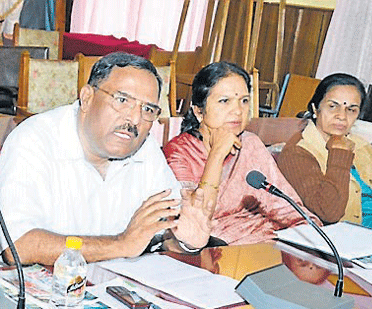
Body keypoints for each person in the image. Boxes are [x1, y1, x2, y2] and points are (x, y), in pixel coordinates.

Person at [0, 52, 207, 266]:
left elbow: (161, 237)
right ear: (87, 98)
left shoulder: (146, 148)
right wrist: (120, 244)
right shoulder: (35, 139)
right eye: (122, 100)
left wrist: (185, 242)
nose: (134, 119)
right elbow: (17, 245)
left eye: (147, 109)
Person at [163, 61, 319, 245]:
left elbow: (285, 207)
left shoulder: (249, 143)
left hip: (267, 242)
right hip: (215, 252)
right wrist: (217, 155)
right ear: (199, 111)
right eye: (224, 101)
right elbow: (191, 226)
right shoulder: (179, 152)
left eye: (244, 101)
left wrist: (313, 236)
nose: (238, 111)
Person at [277, 73, 372, 232]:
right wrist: (338, 153)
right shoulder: (297, 152)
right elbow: (328, 212)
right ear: (315, 108)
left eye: (351, 109)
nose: (342, 116)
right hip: (349, 242)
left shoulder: (360, 145)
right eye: (332, 106)